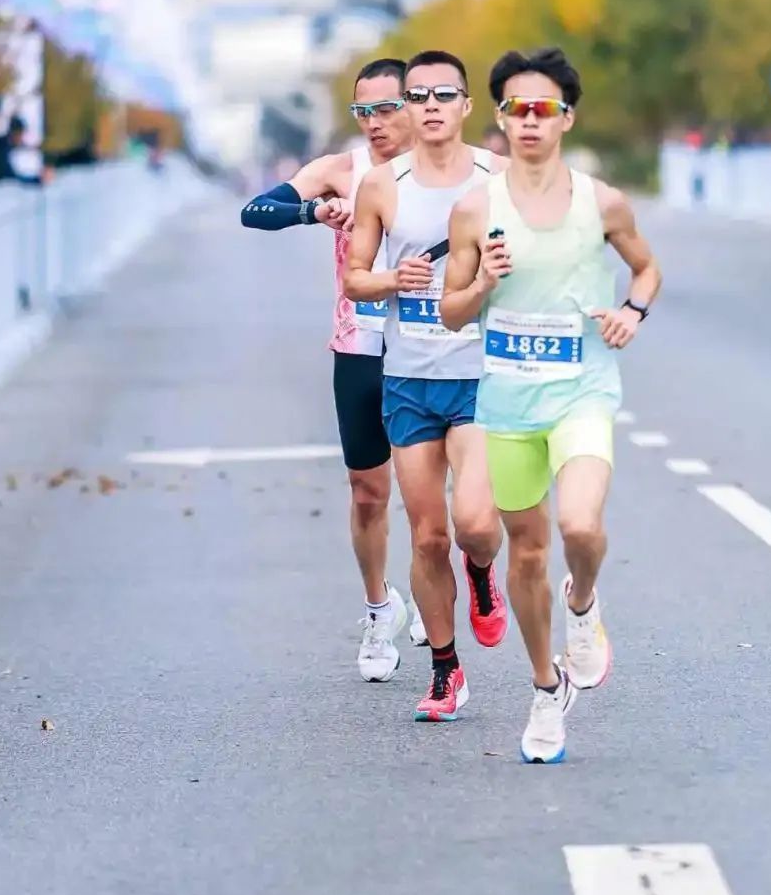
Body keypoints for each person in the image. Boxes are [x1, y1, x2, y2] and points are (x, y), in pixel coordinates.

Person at [442, 47, 662, 763]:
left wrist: (632, 310)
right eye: (515, 110)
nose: (528, 122)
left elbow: (647, 267)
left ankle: (584, 600)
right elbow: (449, 311)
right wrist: (482, 286)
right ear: (500, 119)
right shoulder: (475, 209)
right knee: (527, 553)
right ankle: (545, 690)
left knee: (581, 525)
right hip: (506, 403)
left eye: (543, 110)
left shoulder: (603, 203)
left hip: (582, 389)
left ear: (566, 117)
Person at [346, 50, 510, 723]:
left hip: (481, 372)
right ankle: (446, 670)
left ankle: (481, 573)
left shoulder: (501, 178)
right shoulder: (384, 186)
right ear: (407, 109)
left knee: (473, 523)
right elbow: (356, 277)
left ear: (467, 106)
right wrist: (394, 281)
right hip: (409, 375)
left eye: (446, 94)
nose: (432, 106)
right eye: (419, 96)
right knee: (426, 536)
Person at [241, 59, 416, 683]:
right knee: (369, 491)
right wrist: (313, 213)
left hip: (436, 347)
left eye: (387, 108)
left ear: (417, 102)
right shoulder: (342, 171)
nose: (375, 123)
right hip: (361, 347)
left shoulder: (449, 171)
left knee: (435, 494)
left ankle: (434, 585)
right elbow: (255, 211)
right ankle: (380, 609)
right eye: (362, 111)